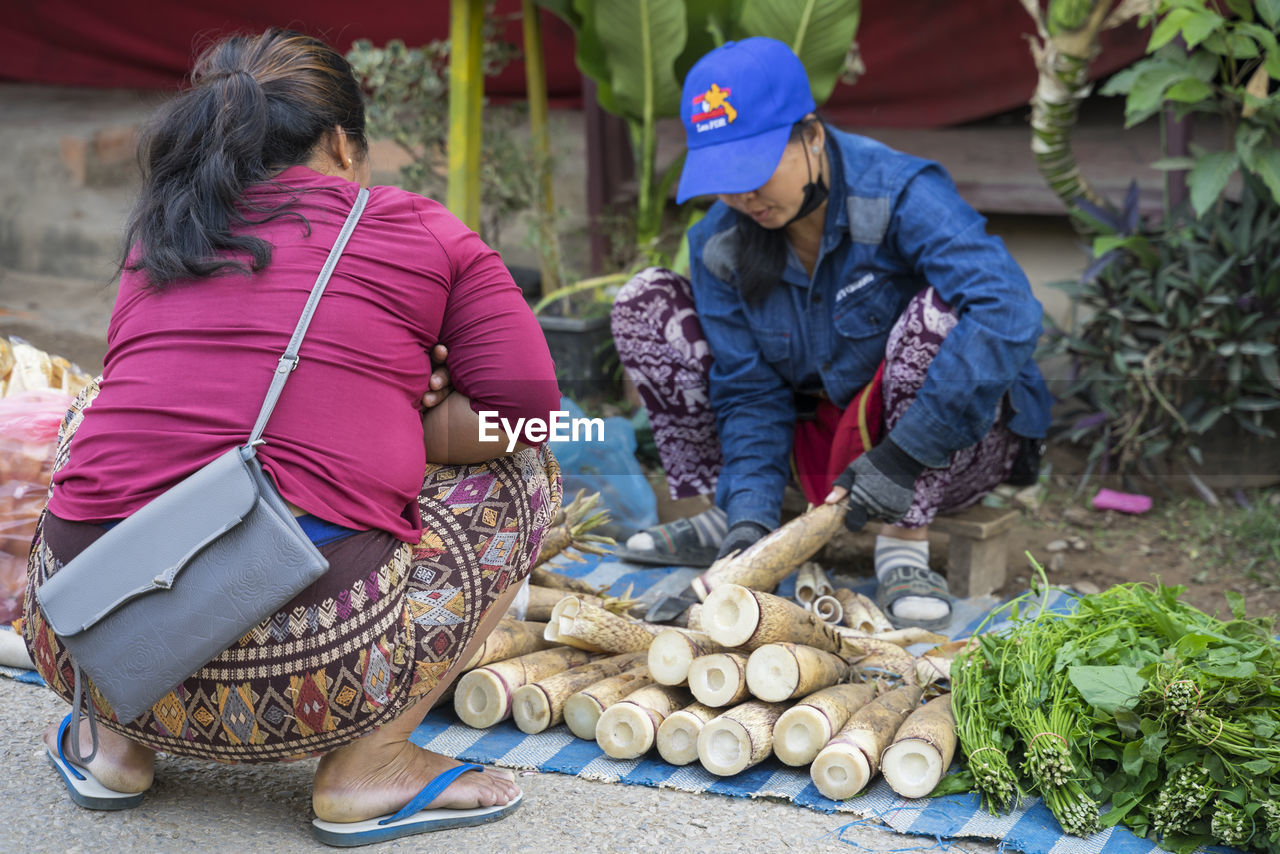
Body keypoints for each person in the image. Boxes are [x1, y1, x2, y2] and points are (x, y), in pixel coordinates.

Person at [19, 29, 562, 846]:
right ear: (344, 143)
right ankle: (367, 767)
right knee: (526, 470)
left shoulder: (160, 232)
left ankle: (111, 747)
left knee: (91, 421)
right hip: (310, 675)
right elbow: (527, 414)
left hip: (87, 640)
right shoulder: (423, 231)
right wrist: (400, 414)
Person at [612, 37, 1051, 629]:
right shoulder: (721, 241)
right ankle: (732, 519)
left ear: (812, 135)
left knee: (940, 313)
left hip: (943, 448)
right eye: (724, 176)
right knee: (644, 301)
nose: (742, 195)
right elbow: (748, 391)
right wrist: (752, 520)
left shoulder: (899, 192)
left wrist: (903, 457)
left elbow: (1007, 308)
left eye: (755, 170)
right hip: (817, 446)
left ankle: (904, 541)